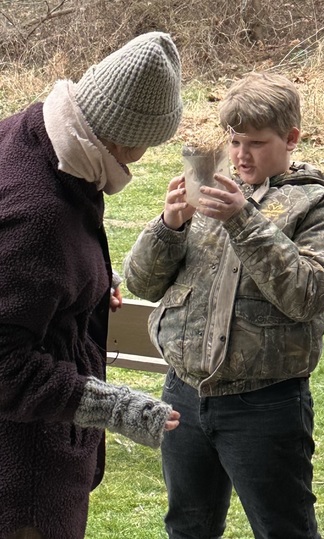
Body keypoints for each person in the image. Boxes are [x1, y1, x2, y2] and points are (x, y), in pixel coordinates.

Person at [123, 71, 324, 539]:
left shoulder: (317, 206)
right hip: (183, 395)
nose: (241, 155)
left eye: (256, 143)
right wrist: (170, 225)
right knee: (188, 526)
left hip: (264, 405)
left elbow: (308, 294)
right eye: (234, 140)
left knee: (283, 528)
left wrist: (243, 221)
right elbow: (141, 283)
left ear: (291, 139)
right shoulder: (210, 193)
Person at [0, 32, 183, 539]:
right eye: (151, 142)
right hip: (22, 486)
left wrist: (93, 282)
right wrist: (114, 407)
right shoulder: (41, 212)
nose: (146, 156)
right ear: (124, 136)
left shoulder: (25, 135)